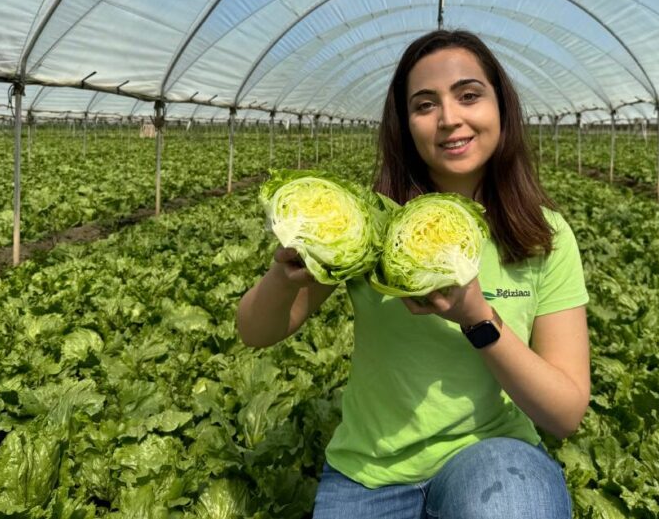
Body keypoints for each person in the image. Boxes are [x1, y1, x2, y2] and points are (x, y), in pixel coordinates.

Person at [237, 30, 590, 518]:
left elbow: (566, 413)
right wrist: (283, 277)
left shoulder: (544, 237)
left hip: (491, 457)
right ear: (405, 124)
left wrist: (478, 320)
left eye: (469, 95)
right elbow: (256, 332)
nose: (449, 119)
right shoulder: (369, 225)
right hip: (370, 473)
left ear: (501, 107)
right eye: (425, 105)